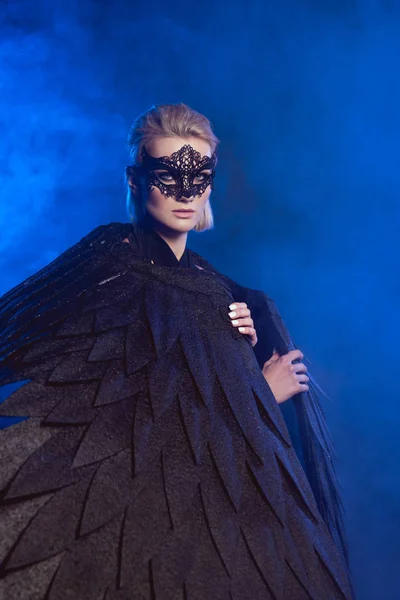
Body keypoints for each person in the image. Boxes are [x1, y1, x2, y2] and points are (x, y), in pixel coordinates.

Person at [0, 103, 354, 599]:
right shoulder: (111, 261)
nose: (186, 193)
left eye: (200, 176)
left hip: (206, 527)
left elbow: (198, 412)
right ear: (135, 179)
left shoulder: (215, 287)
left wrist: (236, 357)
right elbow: (134, 422)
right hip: (128, 521)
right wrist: (258, 392)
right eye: (168, 175)